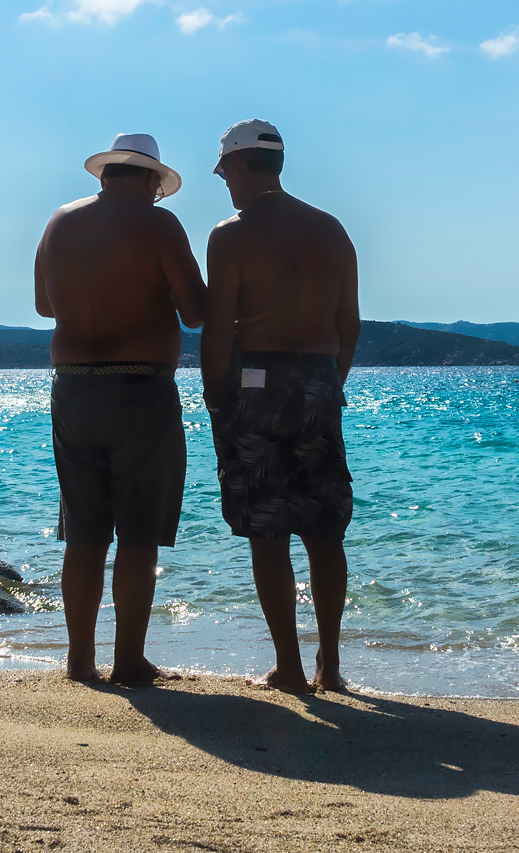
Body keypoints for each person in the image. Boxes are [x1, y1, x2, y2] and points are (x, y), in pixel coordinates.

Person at [34, 133, 206, 684]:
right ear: (153, 180)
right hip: (139, 388)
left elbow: (43, 304)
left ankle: (79, 661)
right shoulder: (158, 224)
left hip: (73, 388)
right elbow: (196, 311)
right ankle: (128, 660)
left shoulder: (60, 220)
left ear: (106, 173)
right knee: (138, 533)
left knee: (84, 532)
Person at [202, 119, 360, 694]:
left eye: (222, 170)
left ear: (240, 165)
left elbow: (218, 330)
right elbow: (349, 325)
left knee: (266, 530)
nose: (223, 180)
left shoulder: (231, 235)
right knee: (324, 531)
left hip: (255, 382)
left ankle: (290, 668)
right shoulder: (331, 230)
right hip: (319, 378)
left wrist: (216, 393)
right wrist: (326, 383)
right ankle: (332, 665)